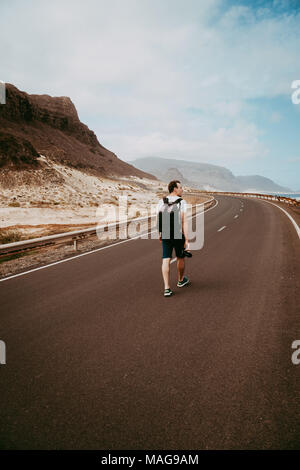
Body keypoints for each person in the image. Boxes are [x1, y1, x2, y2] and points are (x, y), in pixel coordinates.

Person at [156, 180, 190, 297]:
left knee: (166, 258)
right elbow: (184, 221)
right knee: (180, 257)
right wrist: (187, 239)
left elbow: (158, 218)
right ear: (175, 189)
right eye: (180, 187)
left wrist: (159, 233)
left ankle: (167, 288)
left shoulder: (161, 201)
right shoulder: (182, 202)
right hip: (178, 234)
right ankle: (180, 280)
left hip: (165, 233)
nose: (182, 189)